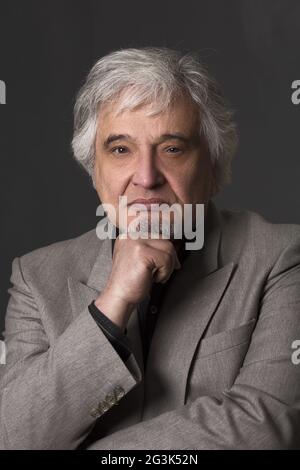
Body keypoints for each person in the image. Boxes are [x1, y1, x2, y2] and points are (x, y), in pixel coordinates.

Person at [1, 47, 300, 450]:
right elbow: (14, 436)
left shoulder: (282, 257)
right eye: (121, 149)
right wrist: (112, 305)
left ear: (213, 165)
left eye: (172, 148)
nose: (146, 176)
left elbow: (267, 423)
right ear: (95, 170)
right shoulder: (36, 277)